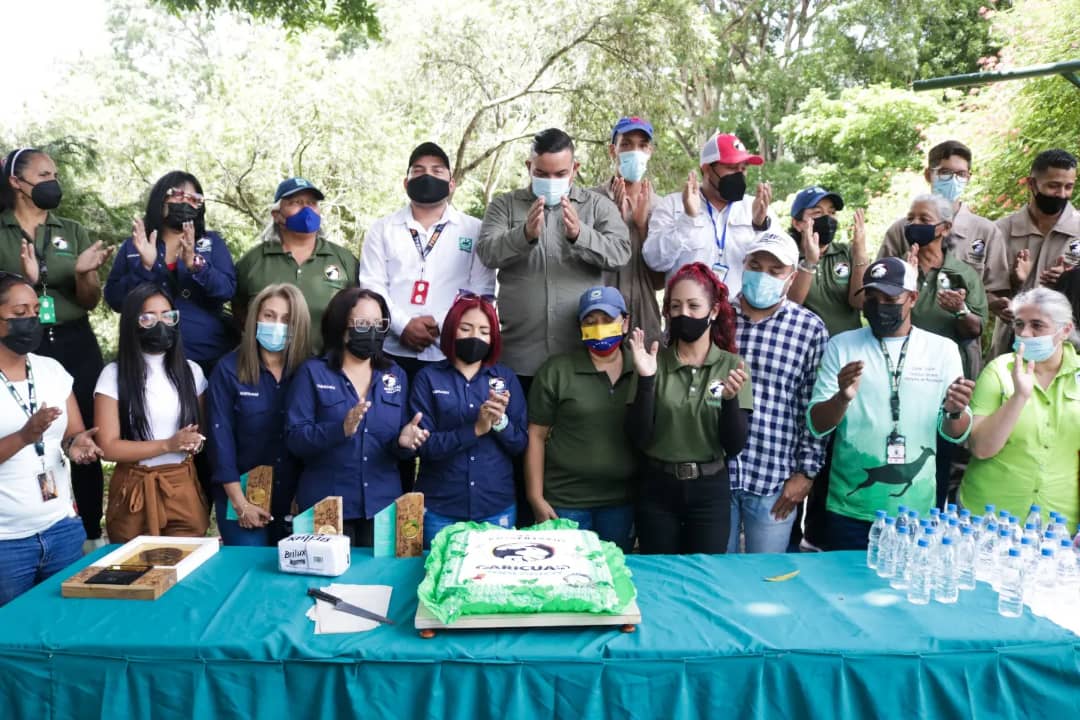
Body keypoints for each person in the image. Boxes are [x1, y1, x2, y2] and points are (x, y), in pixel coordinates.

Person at [807, 257, 975, 551]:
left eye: (889, 298)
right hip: (849, 508)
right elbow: (817, 425)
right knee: (844, 593)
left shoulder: (942, 350)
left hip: (916, 512)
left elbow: (955, 432)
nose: (879, 305)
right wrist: (842, 398)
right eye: (871, 297)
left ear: (912, 298)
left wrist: (955, 410)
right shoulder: (841, 345)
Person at [1, 148, 113, 549]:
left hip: (72, 339)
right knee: (19, 430)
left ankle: (87, 532)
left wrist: (85, 273)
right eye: (44, 173)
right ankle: (22, 528)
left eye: (56, 173)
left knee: (84, 435)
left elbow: (88, 300)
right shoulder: (1, 231)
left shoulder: (72, 229)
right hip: (16, 346)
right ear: (16, 182)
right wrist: (24, 280)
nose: (53, 180)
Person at [476, 128, 630, 383]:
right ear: (529, 166)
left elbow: (621, 253)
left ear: (575, 168)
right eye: (541, 173)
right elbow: (487, 252)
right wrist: (523, 235)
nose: (551, 180)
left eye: (560, 174)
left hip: (580, 355)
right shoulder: (504, 205)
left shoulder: (598, 206)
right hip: (519, 359)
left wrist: (581, 235)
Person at [285, 287, 429, 547]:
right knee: (325, 585)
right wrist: (339, 429)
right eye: (363, 323)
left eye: (378, 323)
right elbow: (295, 439)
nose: (372, 330)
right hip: (326, 506)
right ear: (341, 326)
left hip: (382, 507)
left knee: (382, 583)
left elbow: (398, 449)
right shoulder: (312, 373)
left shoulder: (395, 375)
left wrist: (404, 443)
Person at [626, 262, 753, 554]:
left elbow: (733, 445)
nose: (684, 314)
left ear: (714, 311)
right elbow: (637, 437)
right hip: (657, 488)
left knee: (705, 574)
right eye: (675, 306)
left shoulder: (732, 366)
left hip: (709, 490)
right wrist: (646, 381)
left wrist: (730, 400)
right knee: (661, 575)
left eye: (694, 306)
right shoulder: (652, 361)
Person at [0, 273, 103, 606]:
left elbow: (71, 434)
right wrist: (24, 436)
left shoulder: (51, 370)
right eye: (19, 314)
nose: (30, 320)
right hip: (6, 543)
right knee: (12, 643)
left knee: (67, 630)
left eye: (35, 311)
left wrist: (79, 446)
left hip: (61, 529)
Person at [357, 142, 495, 380]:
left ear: (452, 183)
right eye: (418, 171)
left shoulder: (475, 230)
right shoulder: (382, 229)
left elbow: (481, 289)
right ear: (406, 183)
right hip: (390, 350)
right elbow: (372, 287)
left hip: (450, 351)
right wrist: (403, 325)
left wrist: (440, 324)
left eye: (437, 171)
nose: (427, 176)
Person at [728, 232, 829, 554]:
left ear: (791, 277)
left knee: (766, 579)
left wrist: (806, 473)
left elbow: (810, 408)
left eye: (775, 271)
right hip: (717, 476)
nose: (763, 276)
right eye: (756, 266)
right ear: (743, 266)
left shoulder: (809, 329)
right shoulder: (718, 319)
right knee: (715, 575)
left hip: (774, 478)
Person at [94, 283, 209, 544]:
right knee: (135, 571)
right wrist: (167, 445)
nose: (161, 324)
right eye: (148, 317)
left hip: (181, 483)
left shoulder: (192, 372)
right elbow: (109, 447)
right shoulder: (114, 375)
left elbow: (200, 431)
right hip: (134, 485)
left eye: (168, 316)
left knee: (186, 568)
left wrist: (194, 442)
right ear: (132, 323)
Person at [525, 286, 639, 552]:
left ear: (625, 323)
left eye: (608, 320)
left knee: (613, 579)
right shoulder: (557, 371)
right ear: (580, 327)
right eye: (590, 322)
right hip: (565, 502)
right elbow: (536, 435)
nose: (599, 328)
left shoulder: (641, 370)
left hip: (621, 503)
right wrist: (535, 497)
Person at [409, 293, 526, 547]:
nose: (476, 336)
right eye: (466, 328)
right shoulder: (428, 378)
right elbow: (424, 446)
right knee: (437, 581)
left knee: (496, 585)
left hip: (496, 508)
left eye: (485, 331)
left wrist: (498, 422)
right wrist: (475, 429)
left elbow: (520, 444)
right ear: (451, 330)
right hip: (440, 508)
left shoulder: (505, 378)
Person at [960, 287, 1080, 531]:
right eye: (1018, 324)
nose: (1025, 333)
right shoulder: (999, 370)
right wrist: (1019, 396)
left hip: (1059, 522)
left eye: (1037, 325)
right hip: (989, 518)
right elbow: (981, 449)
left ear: (1065, 330)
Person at [207, 283, 311, 546]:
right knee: (245, 575)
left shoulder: (310, 371)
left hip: (295, 499)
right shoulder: (227, 370)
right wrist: (240, 504)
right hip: (240, 497)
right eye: (269, 315)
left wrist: (306, 497)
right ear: (255, 318)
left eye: (287, 319)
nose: (277, 324)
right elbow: (221, 444)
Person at [105, 171, 237, 375]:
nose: (185, 202)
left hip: (206, 356)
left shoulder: (212, 243)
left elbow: (226, 291)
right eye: (177, 195)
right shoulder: (135, 246)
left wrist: (196, 265)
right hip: (147, 357)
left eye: (194, 199)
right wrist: (145, 268)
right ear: (160, 199)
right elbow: (115, 299)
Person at [877, 141, 1010, 316]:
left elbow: (994, 291)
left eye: (961, 174)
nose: (954, 180)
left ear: (968, 177)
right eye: (945, 172)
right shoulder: (901, 229)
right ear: (928, 174)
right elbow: (881, 284)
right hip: (911, 332)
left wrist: (996, 304)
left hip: (962, 336)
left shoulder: (985, 231)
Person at [644, 132, 778, 297]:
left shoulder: (757, 208)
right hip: (688, 316)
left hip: (742, 318)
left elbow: (777, 267)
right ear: (707, 169)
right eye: (731, 168)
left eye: (743, 169)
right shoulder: (673, 205)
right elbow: (654, 261)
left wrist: (759, 225)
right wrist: (687, 219)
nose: (739, 174)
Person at [234, 178, 357, 349]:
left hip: (325, 370)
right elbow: (239, 311)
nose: (306, 209)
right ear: (276, 215)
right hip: (268, 369)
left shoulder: (344, 260)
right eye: (296, 202)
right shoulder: (253, 261)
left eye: (312, 203)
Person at [990, 149, 1080, 357]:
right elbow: (984, 290)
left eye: (1069, 187)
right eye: (1053, 186)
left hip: (1070, 350)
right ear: (1032, 184)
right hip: (1012, 345)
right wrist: (1012, 285)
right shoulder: (1001, 231)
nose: (1062, 194)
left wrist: (1069, 278)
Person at [590, 117, 665, 345]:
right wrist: (614, 226)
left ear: (650, 151)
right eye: (626, 144)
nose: (635, 151)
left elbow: (659, 281)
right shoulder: (591, 201)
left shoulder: (660, 206)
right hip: (599, 315)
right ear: (613, 151)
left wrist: (642, 227)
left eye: (642, 145)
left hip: (645, 318)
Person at [901, 194, 989, 378]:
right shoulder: (896, 269)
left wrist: (960, 310)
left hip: (949, 372)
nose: (914, 224)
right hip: (903, 367)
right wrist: (906, 279)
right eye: (910, 219)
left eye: (924, 219)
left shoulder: (963, 274)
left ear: (946, 228)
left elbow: (975, 330)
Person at [785, 186, 869, 336]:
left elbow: (860, 302)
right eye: (817, 213)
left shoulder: (846, 252)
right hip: (806, 348)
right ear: (797, 223)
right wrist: (809, 262)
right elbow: (789, 307)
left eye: (832, 213)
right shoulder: (787, 256)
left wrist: (860, 253)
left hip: (847, 349)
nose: (828, 218)